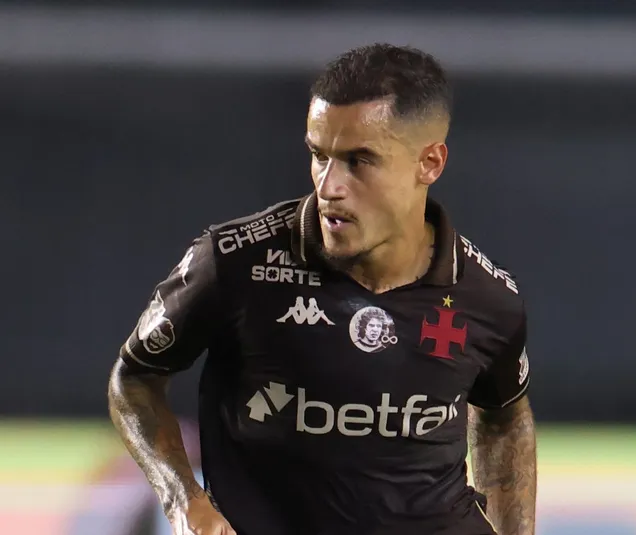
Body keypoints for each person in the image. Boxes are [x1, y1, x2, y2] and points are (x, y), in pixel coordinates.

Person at [108, 43, 537, 535]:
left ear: (430, 163)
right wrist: (184, 500)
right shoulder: (234, 263)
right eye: (319, 155)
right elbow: (134, 378)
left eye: (359, 160)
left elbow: (505, 418)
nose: (329, 186)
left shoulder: (488, 299)